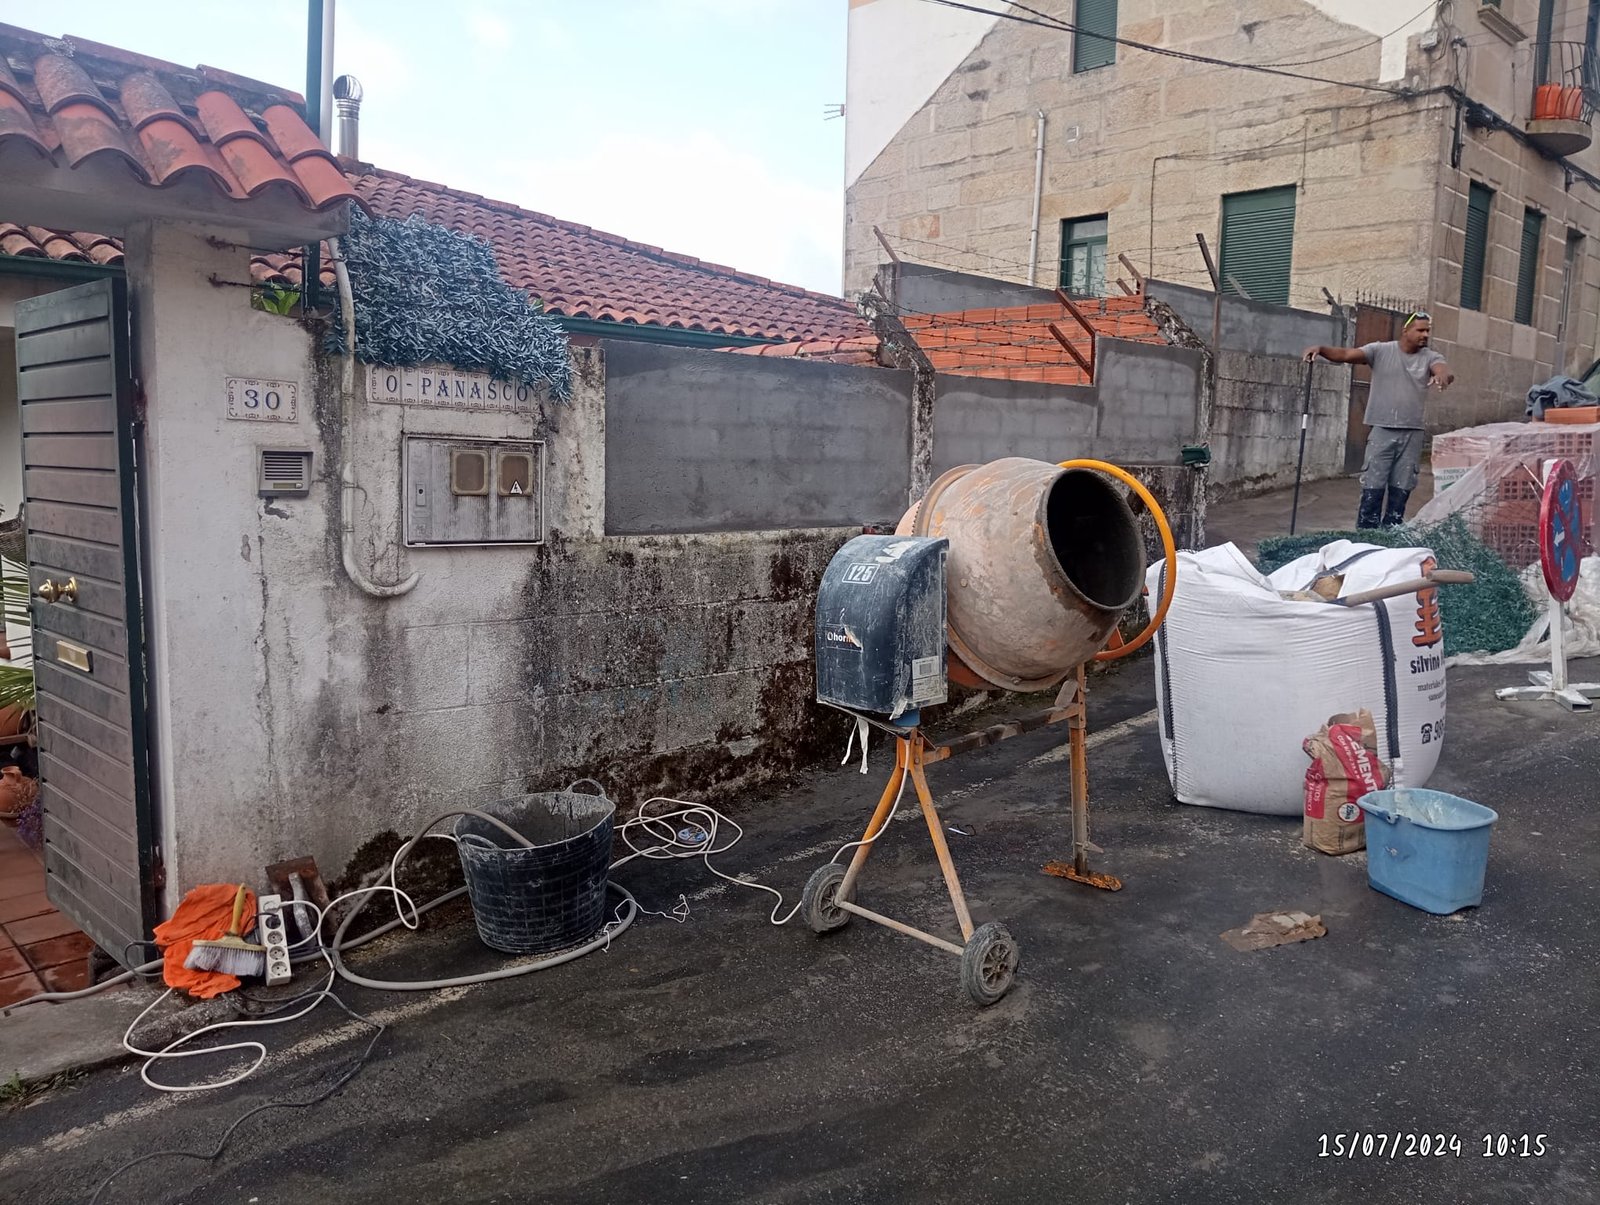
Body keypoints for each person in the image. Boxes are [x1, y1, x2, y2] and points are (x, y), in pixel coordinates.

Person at [1303, 311, 1454, 529]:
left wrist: (1442, 376)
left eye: (1428, 330)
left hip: (1412, 433)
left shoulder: (1430, 357)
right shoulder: (1380, 351)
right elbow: (1346, 354)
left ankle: (1390, 536)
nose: (1425, 334)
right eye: (1420, 330)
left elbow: (1443, 370)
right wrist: (1321, 349)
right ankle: (1366, 536)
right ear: (1406, 331)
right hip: (1382, 430)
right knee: (1373, 486)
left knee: (1401, 489)